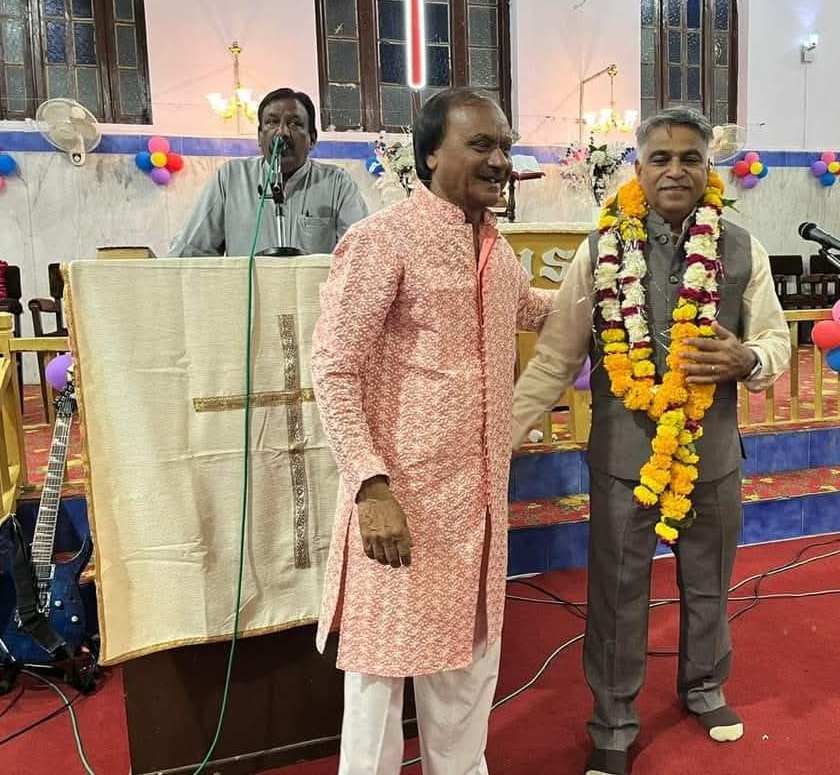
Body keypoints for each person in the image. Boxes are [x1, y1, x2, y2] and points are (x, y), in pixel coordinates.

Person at [511, 107, 791, 775]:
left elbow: (776, 340)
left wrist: (747, 359)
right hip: (621, 462)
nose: (675, 170)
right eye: (660, 158)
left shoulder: (742, 248)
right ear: (637, 168)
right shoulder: (598, 250)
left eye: (690, 157)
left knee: (709, 585)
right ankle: (612, 722)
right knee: (616, 594)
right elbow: (554, 358)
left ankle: (704, 688)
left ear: (708, 167)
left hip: (710, 458)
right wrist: (499, 439)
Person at [311, 88, 555, 775]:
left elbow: (531, 309)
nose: (500, 160)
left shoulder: (496, 250)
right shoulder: (382, 239)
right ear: (429, 156)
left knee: (467, 672)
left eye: (504, 146)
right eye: (480, 145)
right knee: (379, 683)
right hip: (402, 505)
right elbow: (334, 368)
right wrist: (371, 488)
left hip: (476, 511)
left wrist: (612, 291)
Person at [168, 87, 367, 256]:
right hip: (249, 292)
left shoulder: (337, 183)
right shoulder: (231, 178)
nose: (282, 132)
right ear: (259, 136)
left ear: (312, 139)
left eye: (295, 123)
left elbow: (362, 253)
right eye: (272, 122)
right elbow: (188, 251)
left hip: (313, 292)